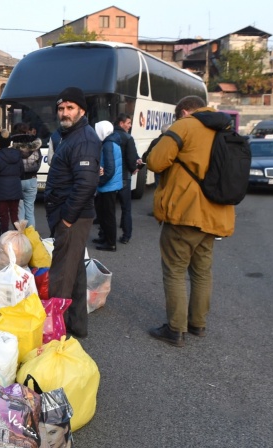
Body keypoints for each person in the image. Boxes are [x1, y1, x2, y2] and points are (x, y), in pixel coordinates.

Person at [146, 95, 236, 347]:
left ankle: (175, 329)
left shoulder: (185, 125)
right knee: (202, 272)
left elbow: (155, 161)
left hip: (185, 213)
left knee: (174, 271)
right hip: (214, 214)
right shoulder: (224, 128)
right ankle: (198, 324)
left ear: (184, 112)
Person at [44, 86, 100, 339]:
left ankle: (57, 336)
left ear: (82, 111)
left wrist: (66, 219)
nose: (64, 113)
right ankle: (76, 326)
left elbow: (86, 184)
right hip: (68, 215)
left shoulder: (84, 138)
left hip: (72, 218)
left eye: (70, 108)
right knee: (74, 272)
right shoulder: (70, 135)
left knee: (61, 278)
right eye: (61, 108)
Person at [91, 121, 123, 252]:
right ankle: (105, 238)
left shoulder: (108, 144)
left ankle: (110, 243)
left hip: (108, 186)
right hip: (110, 184)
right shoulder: (112, 142)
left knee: (108, 216)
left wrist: (100, 181)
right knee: (104, 214)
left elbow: (109, 169)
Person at [113, 114, 141, 244]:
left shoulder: (109, 136)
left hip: (110, 177)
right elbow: (131, 158)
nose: (130, 126)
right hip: (124, 177)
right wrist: (134, 167)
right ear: (121, 123)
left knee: (108, 207)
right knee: (126, 208)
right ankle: (126, 235)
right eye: (128, 123)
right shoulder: (128, 138)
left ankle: (106, 234)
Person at [0, 133, 24, 233]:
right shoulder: (18, 155)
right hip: (16, 186)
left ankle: (4, 237)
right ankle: (20, 237)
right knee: (14, 215)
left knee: (3, 216)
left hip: (1, 188)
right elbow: (22, 172)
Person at [12, 123, 42, 228]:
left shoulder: (13, 144)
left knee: (19, 209)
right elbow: (39, 160)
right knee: (30, 209)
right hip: (32, 178)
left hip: (17, 180)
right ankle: (31, 236)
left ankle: (21, 237)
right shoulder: (35, 144)